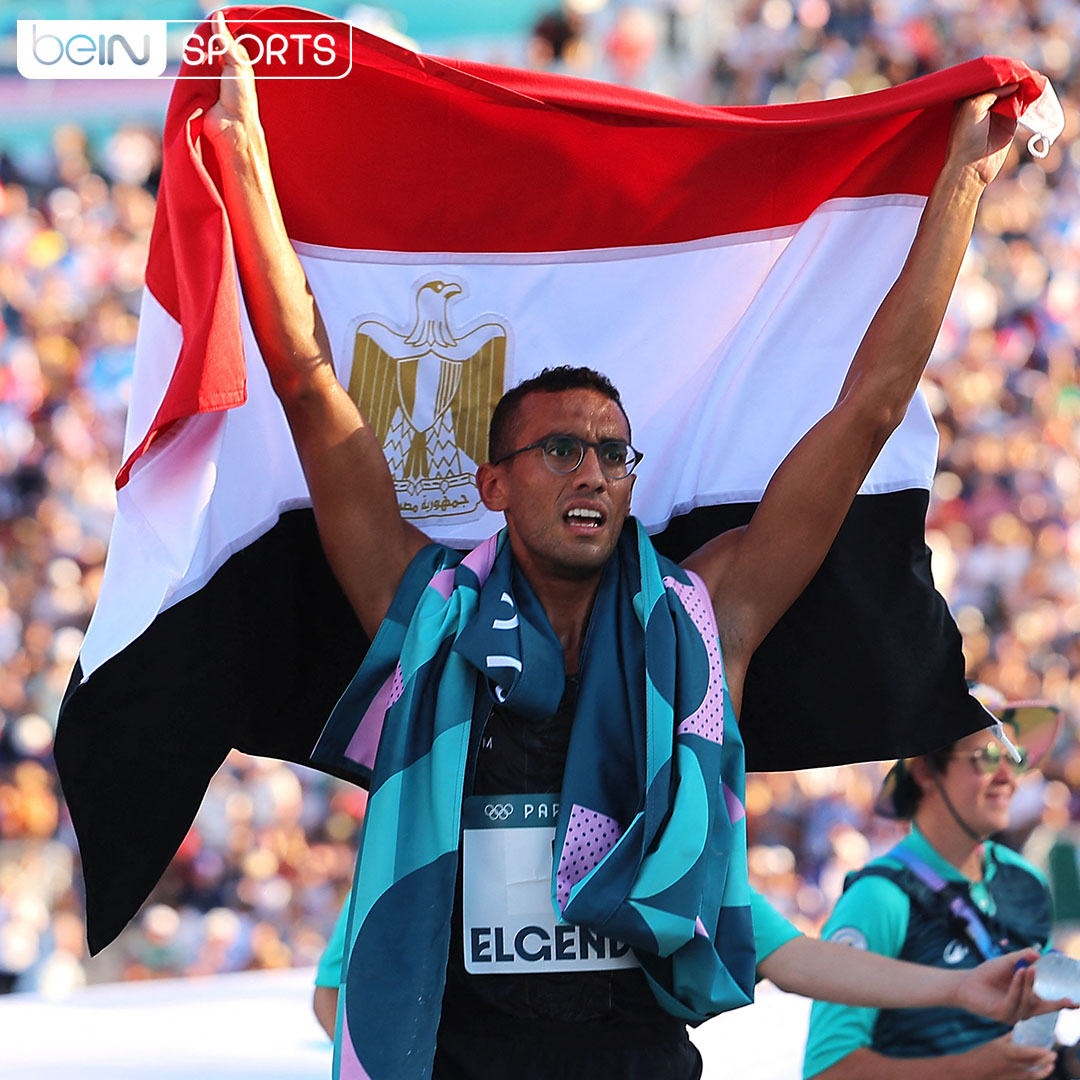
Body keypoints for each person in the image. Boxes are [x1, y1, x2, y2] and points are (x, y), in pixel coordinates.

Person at [203, 12, 1068, 1079]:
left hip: (641, 1058)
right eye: (560, 447)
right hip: (455, 1060)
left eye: (614, 453)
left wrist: (963, 190)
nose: (594, 471)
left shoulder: (708, 618)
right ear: (492, 484)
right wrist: (245, 157)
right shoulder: (421, 603)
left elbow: (868, 407)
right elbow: (308, 384)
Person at [804, 687, 1072, 1080]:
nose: (1008, 777)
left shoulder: (1027, 880)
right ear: (926, 770)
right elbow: (825, 1070)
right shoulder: (878, 897)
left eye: (1012, 760)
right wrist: (969, 1069)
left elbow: (1032, 1034)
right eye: (987, 757)